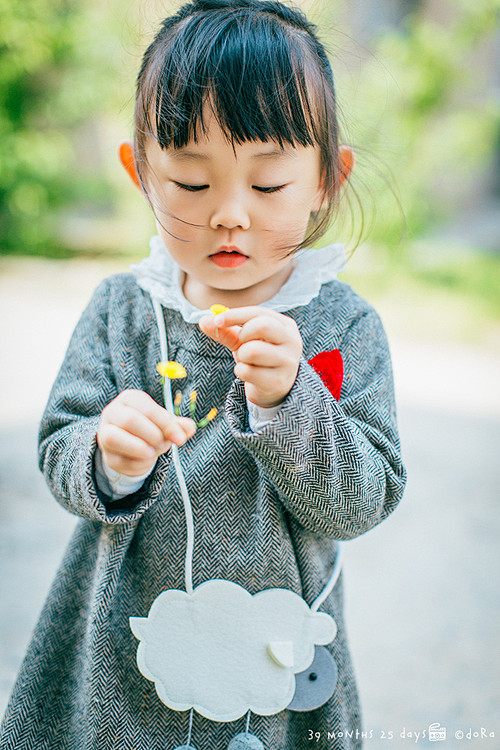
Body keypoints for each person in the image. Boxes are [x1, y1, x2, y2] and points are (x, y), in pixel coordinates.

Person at [0, 1, 406, 748]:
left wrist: (293, 403)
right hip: (117, 658)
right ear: (141, 173)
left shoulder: (342, 327)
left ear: (326, 179)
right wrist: (106, 458)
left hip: (278, 671)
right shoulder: (123, 311)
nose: (228, 214)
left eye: (269, 185)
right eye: (191, 183)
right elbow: (61, 448)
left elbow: (364, 501)